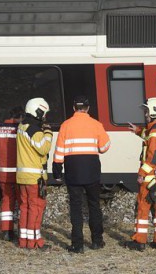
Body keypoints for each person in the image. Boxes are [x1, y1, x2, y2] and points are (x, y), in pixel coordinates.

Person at [52, 95, 111, 254]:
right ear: (88, 108)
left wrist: (57, 170)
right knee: (94, 205)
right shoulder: (96, 124)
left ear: (73, 108)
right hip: (91, 170)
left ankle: (77, 244)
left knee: (76, 208)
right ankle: (97, 241)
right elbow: (105, 147)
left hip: (73, 171)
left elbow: (59, 151)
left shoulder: (66, 125)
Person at [127, 97, 156, 251]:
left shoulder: (155, 130)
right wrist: (138, 131)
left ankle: (140, 241)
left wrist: (142, 173)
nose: (145, 114)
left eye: (147, 111)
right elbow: (151, 139)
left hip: (152, 177)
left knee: (143, 207)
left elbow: (153, 154)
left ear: (154, 112)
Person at [16, 97, 52, 249]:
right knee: (36, 208)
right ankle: (34, 242)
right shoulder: (34, 130)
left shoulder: (21, 126)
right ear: (37, 111)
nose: (44, 117)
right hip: (34, 177)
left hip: (22, 176)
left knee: (24, 208)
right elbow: (43, 148)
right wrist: (48, 133)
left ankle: (23, 241)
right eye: (43, 113)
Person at [0, 106, 24, 241]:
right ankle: (23, 232)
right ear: (19, 117)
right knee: (22, 202)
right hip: (19, 173)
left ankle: (7, 232)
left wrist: (0, 156)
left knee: (7, 201)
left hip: (3, 173)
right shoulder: (21, 129)